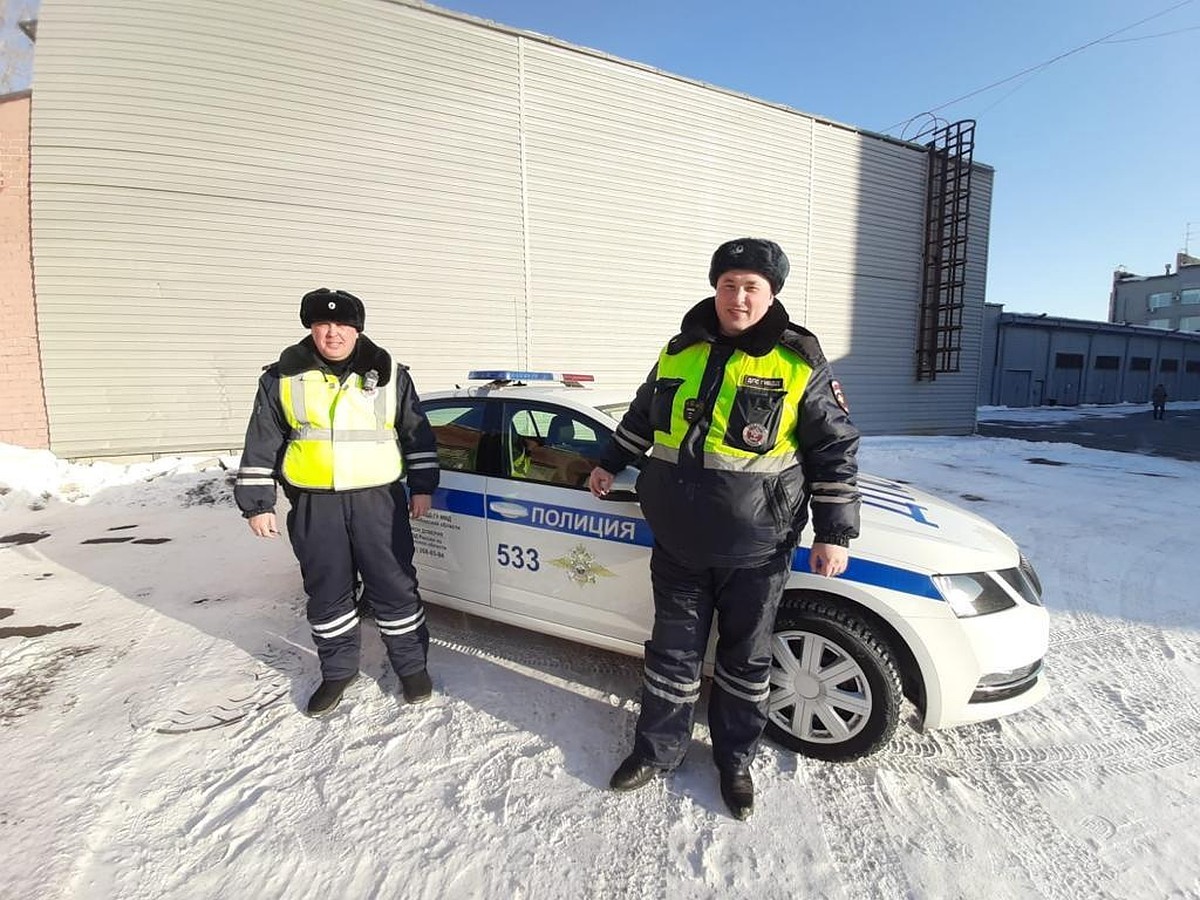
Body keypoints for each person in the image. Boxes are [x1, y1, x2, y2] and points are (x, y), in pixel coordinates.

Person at [588, 238, 860, 820]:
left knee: (746, 660)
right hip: (679, 539)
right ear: (716, 287)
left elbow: (833, 448)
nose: (739, 296)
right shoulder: (678, 350)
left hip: (758, 547)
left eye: (752, 287)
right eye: (729, 284)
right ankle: (657, 751)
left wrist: (836, 531)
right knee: (672, 654)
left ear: (771, 294)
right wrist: (608, 461)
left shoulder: (797, 361)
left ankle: (735, 760)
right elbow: (642, 417)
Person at [234, 288, 441, 716]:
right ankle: (338, 671)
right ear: (310, 328)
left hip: (378, 501)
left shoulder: (389, 373)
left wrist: (422, 485)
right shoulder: (280, 378)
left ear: (357, 329)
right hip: (315, 504)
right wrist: (258, 502)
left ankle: (412, 667)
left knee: (394, 585)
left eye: (343, 325)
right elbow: (263, 441)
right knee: (328, 591)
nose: (333, 333)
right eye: (323, 324)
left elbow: (416, 433)